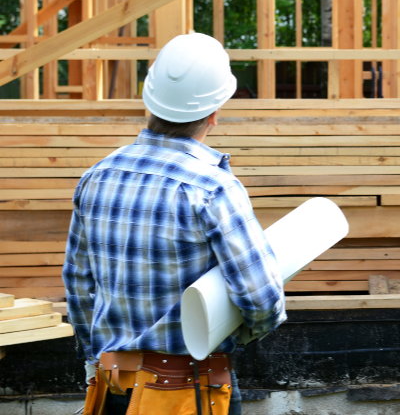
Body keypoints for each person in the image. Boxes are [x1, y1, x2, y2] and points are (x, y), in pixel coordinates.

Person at [63, 33, 287, 415]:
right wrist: (234, 331)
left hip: (113, 389)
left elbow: (78, 284)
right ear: (215, 112)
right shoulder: (213, 188)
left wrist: (93, 355)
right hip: (190, 394)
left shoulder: (96, 176)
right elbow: (263, 301)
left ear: (149, 100)